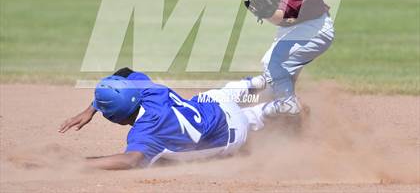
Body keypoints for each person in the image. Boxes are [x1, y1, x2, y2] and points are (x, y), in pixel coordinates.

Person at [59, 67, 266, 170]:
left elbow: (131, 160)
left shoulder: (146, 132)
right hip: (214, 103)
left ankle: (264, 112)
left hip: (234, 132)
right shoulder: (148, 91)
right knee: (216, 94)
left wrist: (81, 163)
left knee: (249, 118)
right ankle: (257, 84)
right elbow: (124, 72)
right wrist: (92, 108)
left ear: (117, 119)